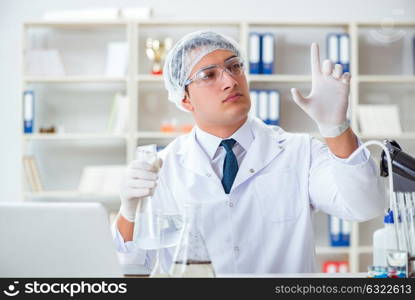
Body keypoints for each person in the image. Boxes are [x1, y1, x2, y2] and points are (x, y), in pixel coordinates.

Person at [112, 30, 385, 274]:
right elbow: (133, 268)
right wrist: (129, 212)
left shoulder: (299, 152)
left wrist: (335, 127)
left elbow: (364, 206)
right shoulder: (163, 168)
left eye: (234, 67)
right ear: (184, 98)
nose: (230, 80)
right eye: (209, 75)